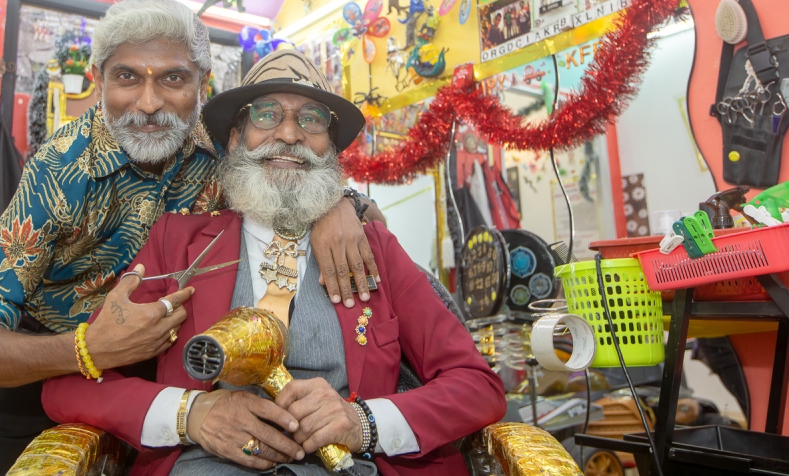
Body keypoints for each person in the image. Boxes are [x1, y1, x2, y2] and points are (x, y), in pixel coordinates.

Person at [0, 0, 381, 476]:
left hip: (161, 383)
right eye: (127, 76)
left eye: (173, 78)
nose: (150, 103)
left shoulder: (218, 153)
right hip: (35, 372)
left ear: (200, 85)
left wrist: (341, 205)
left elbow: (294, 166)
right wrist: (87, 349)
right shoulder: (60, 170)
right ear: (97, 78)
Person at [42, 48, 507, 475]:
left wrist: (360, 421)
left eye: (311, 119)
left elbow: (477, 387)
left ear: (331, 147)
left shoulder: (374, 249)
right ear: (237, 137)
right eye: (266, 115)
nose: (288, 134)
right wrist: (191, 414)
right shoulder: (177, 243)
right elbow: (70, 386)